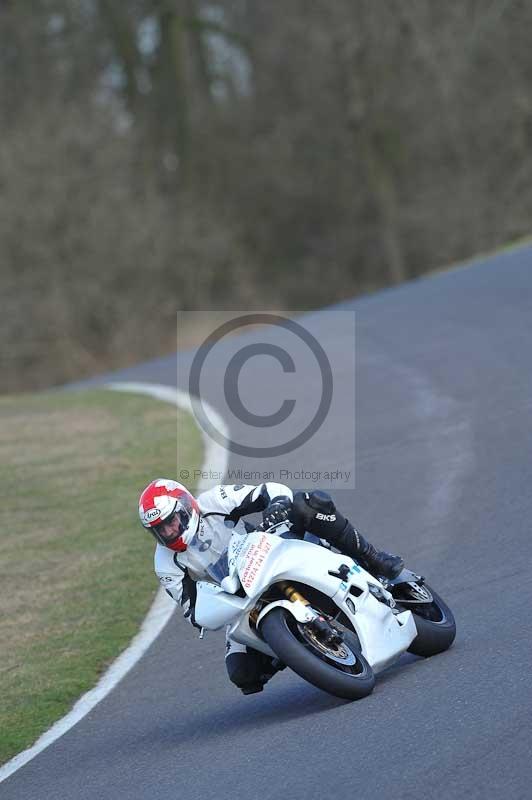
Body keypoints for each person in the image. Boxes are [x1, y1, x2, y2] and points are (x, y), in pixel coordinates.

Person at [138, 478, 404, 695]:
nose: (169, 532)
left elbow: (270, 490)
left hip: (267, 550)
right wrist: (209, 609)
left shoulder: (214, 500)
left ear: (185, 506)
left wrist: (276, 505)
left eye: (170, 522)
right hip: (239, 598)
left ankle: (373, 557)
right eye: (159, 530)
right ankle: (296, 645)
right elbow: (192, 610)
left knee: (309, 504)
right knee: (243, 674)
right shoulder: (165, 564)